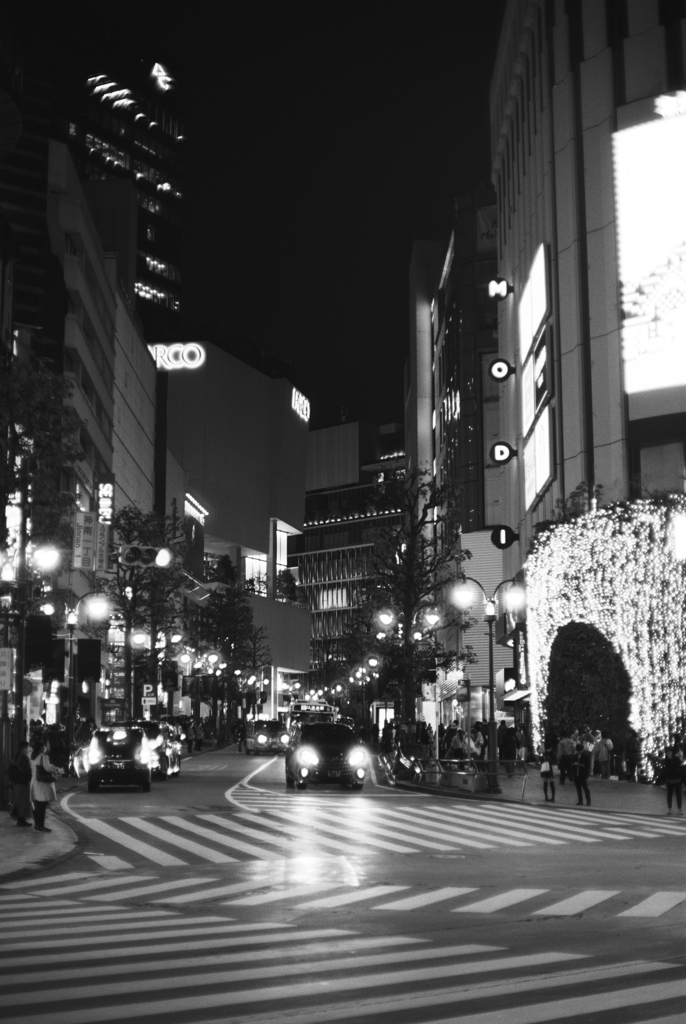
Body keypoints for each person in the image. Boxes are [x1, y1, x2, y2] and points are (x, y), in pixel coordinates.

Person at [30, 736, 61, 832]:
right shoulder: (44, 757)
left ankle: (37, 825)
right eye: (44, 746)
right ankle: (40, 826)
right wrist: (55, 768)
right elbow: (47, 768)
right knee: (42, 805)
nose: (46, 747)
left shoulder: (33, 757)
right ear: (41, 748)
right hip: (42, 783)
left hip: (34, 782)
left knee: (37, 805)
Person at [9, 741, 32, 826]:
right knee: (23, 800)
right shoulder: (23, 756)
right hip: (23, 781)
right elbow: (27, 769)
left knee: (21, 800)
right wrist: (31, 776)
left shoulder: (18, 755)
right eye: (27, 747)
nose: (28, 749)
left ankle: (19, 817)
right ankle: (21, 820)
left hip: (18, 781)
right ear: (24, 748)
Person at [664, 743, 684, 816]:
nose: (668, 754)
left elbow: (681, 769)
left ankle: (679, 809)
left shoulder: (675, 759)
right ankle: (670, 809)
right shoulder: (666, 760)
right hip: (670, 780)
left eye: (670, 752)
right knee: (670, 795)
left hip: (677, 779)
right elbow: (665, 771)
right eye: (667, 752)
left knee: (678, 795)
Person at [573, 742, 592, 806]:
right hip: (576, 774)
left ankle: (588, 801)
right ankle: (580, 801)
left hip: (583, 774)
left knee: (585, 788)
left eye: (580, 751)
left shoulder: (585, 756)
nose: (578, 752)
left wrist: (579, 764)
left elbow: (587, 766)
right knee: (578, 788)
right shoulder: (575, 756)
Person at [540, 736, 556, 802]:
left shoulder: (544, 753)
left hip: (544, 769)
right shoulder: (553, 753)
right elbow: (555, 761)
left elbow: (540, 761)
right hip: (551, 769)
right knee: (551, 783)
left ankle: (546, 797)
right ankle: (552, 797)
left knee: (545, 783)